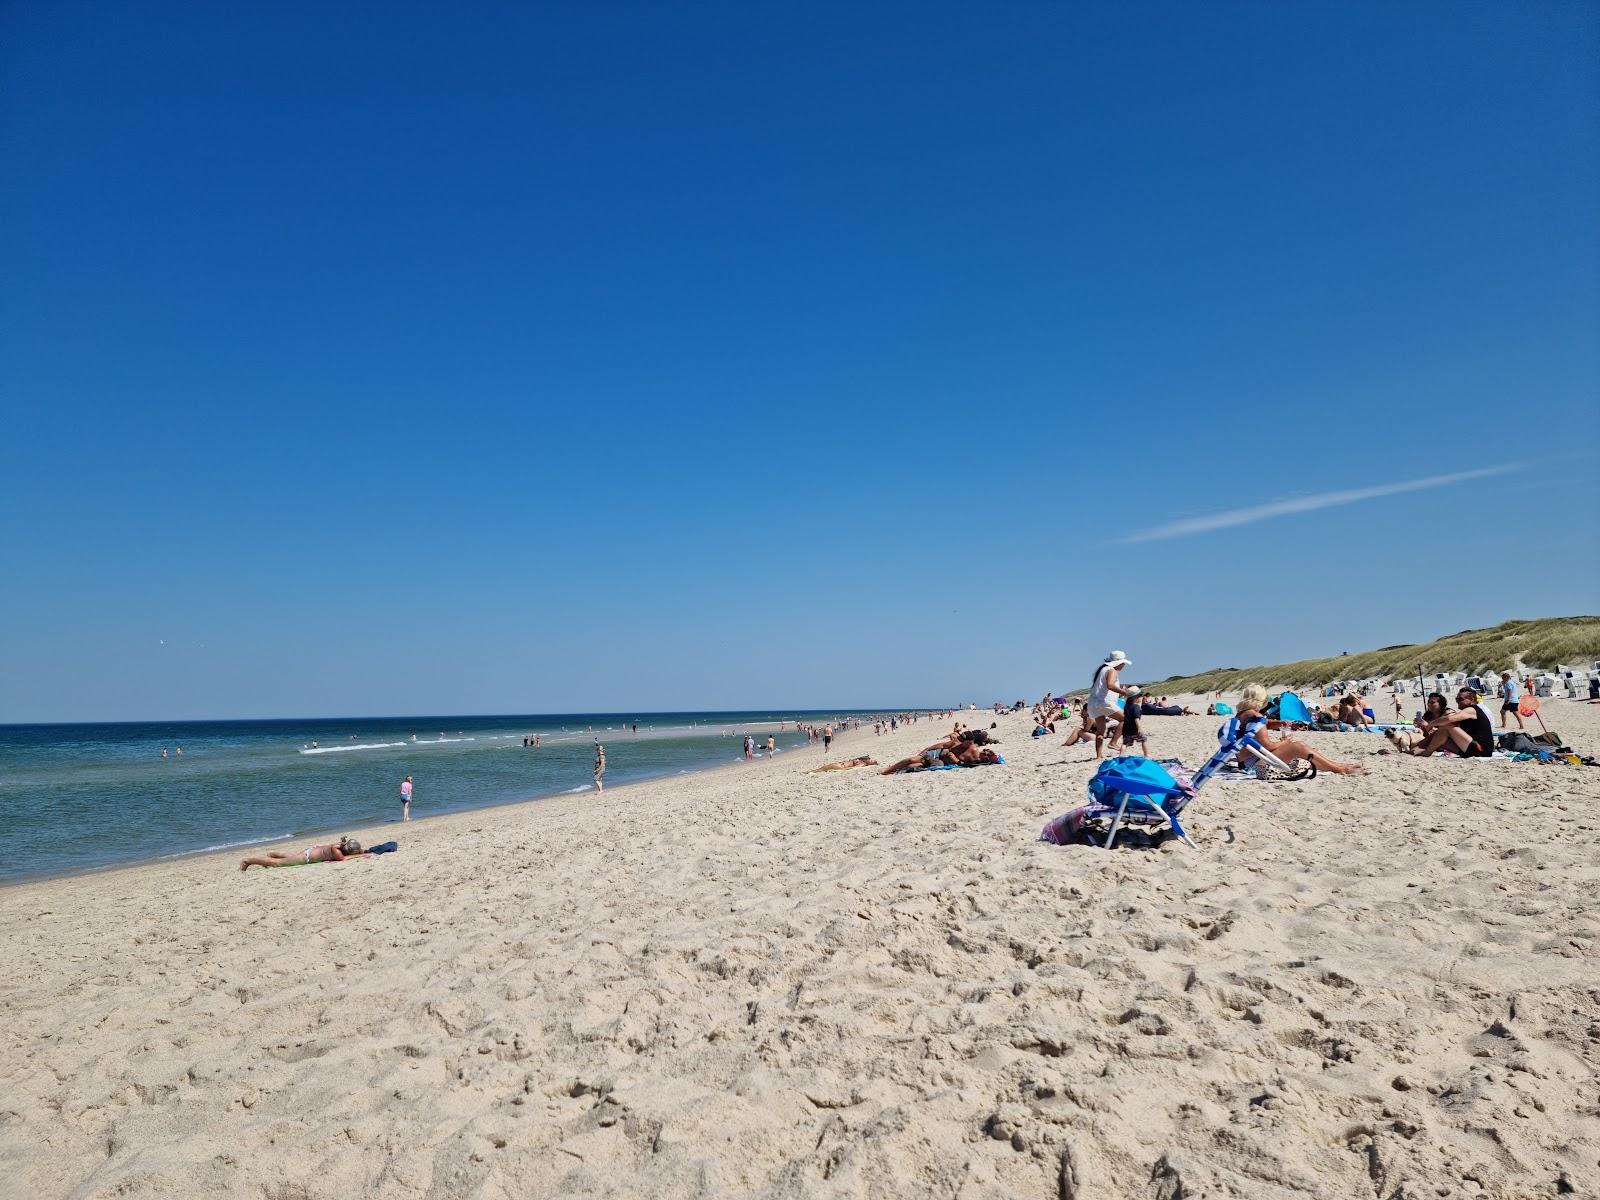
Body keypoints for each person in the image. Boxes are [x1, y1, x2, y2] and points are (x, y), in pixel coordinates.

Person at [1232, 684, 1363, 775]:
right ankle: (1339, 769)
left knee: (1299, 749)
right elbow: (1267, 746)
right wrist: (1285, 742)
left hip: (1245, 761)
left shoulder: (1243, 714)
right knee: (1299, 747)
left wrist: (1278, 722)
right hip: (1255, 764)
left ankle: (1337, 766)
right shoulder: (1257, 716)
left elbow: (1264, 724)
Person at [1392, 687, 1496, 757]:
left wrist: (1431, 724)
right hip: (1469, 749)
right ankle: (1413, 751)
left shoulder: (1472, 709)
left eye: (1460, 699)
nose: (1457, 701)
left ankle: (1426, 753)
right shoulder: (1465, 712)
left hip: (1481, 749)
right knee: (1438, 733)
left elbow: (1450, 720)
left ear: (1472, 699)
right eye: (1456, 699)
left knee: (1447, 726)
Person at [1086, 650, 1135, 758]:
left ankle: (1098, 756)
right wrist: (1125, 693)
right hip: (1103, 702)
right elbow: (1110, 685)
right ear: (1119, 662)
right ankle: (1113, 743)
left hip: (1094, 702)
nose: (1123, 665)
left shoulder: (1103, 669)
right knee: (1125, 719)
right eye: (1123, 663)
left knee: (1100, 730)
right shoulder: (1111, 670)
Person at [241, 837, 371, 871]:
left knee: (290, 856)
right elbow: (343, 859)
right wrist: (361, 855)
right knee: (277, 864)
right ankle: (248, 861)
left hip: (310, 852)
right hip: (307, 857)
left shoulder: (340, 845)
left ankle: (273, 853)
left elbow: (354, 850)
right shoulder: (337, 851)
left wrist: (362, 851)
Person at [1119, 688, 1149, 756]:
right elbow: (1136, 718)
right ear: (1136, 697)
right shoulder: (1136, 706)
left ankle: (1121, 756)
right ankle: (1146, 755)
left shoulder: (1126, 706)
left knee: (1125, 744)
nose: (1141, 698)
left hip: (1126, 729)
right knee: (1143, 740)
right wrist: (1139, 728)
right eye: (1140, 696)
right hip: (1134, 729)